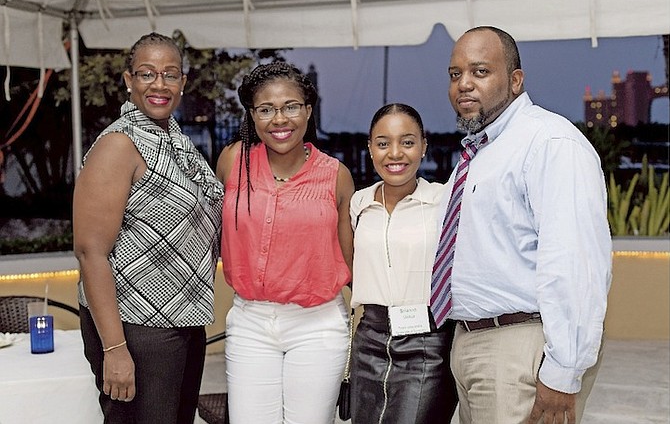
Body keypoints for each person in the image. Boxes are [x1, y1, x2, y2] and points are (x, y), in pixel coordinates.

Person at [439, 25, 612, 424]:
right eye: (455, 74)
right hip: (473, 345)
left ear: (515, 81)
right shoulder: (482, 152)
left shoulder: (550, 142)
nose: (464, 84)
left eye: (480, 72)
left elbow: (575, 263)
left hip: (520, 350)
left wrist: (563, 372)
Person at [72, 32, 224, 423]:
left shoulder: (173, 139)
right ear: (128, 80)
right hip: (134, 329)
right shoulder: (119, 145)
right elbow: (91, 252)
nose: (159, 84)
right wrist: (114, 348)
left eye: (170, 74)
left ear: (182, 83)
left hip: (181, 321)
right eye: (147, 73)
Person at [216, 61, 355, 424]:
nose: (280, 119)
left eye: (291, 106)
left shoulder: (336, 176)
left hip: (317, 325)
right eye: (266, 109)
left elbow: (353, 260)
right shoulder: (233, 162)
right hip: (249, 321)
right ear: (252, 114)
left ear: (308, 111)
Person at [348, 103, 458, 424]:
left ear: (424, 145)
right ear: (370, 148)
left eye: (407, 142)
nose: (395, 153)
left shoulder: (444, 201)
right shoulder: (360, 203)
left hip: (427, 341)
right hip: (370, 337)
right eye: (383, 143)